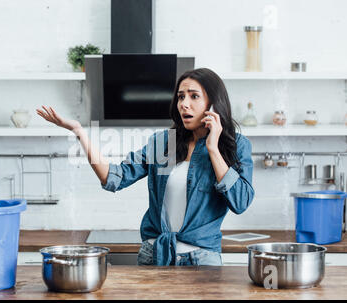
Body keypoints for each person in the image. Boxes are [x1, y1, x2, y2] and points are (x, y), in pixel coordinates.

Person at [37, 68, 255, 266]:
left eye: (194, 96)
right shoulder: (164, 143)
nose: (184, 104)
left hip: (201, 260)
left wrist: (213, 149)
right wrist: (79, 131)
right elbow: (113, 178)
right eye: (180, 96)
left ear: (213, 104)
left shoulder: (235, 146)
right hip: (154, 256)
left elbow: (240, 202)